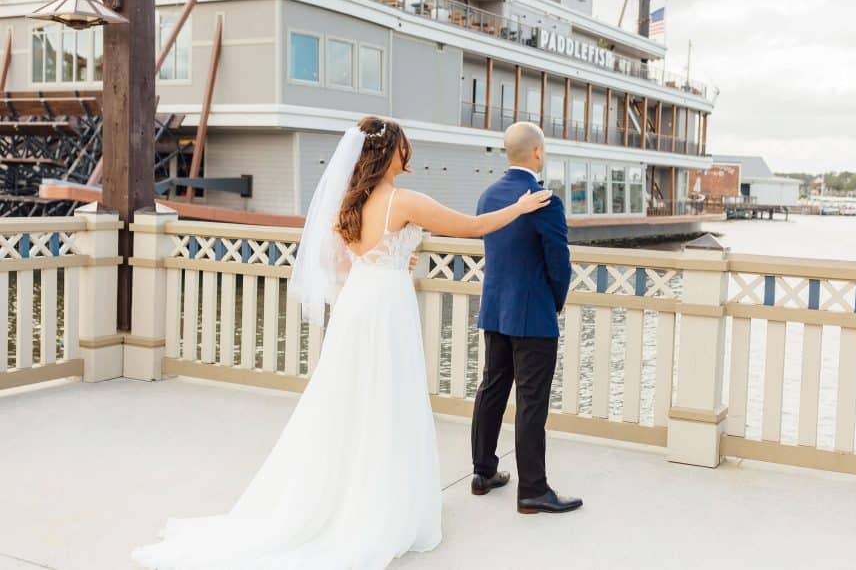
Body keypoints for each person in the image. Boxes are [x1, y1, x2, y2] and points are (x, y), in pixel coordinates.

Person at [131, 116, 552, 569]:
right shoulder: (404, 200)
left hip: (358, 306)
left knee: (349, 400)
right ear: (393, 153)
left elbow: (341, 264)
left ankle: (343, 496)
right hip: (388, 308)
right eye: (405, 148)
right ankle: (381, 503)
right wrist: (521, 209)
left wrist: (390, 261)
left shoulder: (352, 202)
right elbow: (471, 227)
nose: (408, 155)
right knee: (388, 400)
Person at [470, 121, 582, 514]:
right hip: (532, 313)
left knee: (492, 389)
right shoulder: (542, 199)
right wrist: (555, 301)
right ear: (537, 152)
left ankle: (483, 472)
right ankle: (533, 489)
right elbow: (558, 261)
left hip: (496, 310)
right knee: (531, 402)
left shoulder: (488, 196)